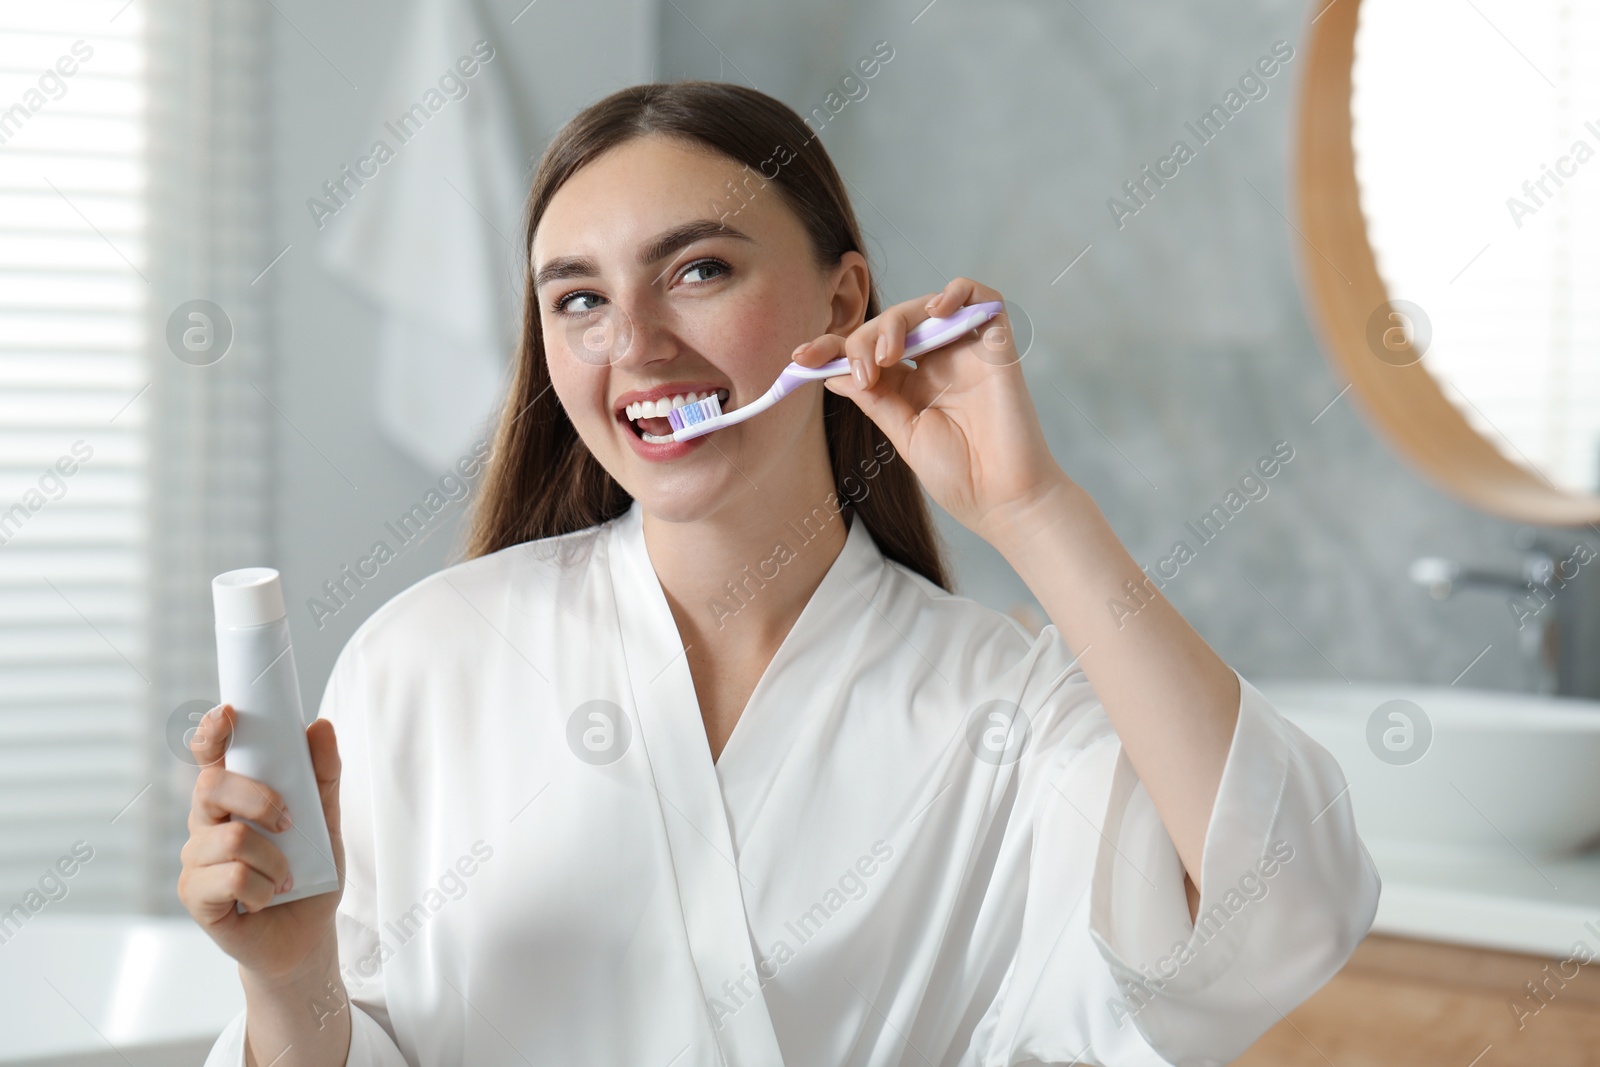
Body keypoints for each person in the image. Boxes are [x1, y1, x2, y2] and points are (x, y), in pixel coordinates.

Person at [183, 81, 1379, 1067]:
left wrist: (1033, 508)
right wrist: (291, 987)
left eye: (698, 270)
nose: (637, 345)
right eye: (580, 299)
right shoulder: (427, 656)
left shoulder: (1004, 699)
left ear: (841, 296)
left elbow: (1287, 904)